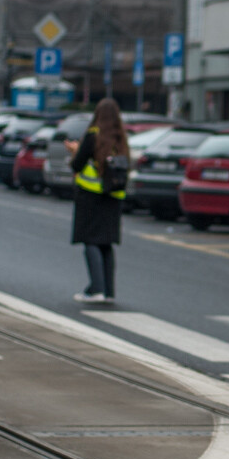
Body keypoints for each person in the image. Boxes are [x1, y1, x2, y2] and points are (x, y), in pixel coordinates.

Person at [65, 98, 129, 304]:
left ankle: (96, 290)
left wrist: (75, 151)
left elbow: (77, 165)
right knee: (106, 243)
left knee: (91, 240)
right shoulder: (121, 139)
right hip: (113, 198)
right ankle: (108, 291)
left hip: (91, 196)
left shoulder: (94, 136)